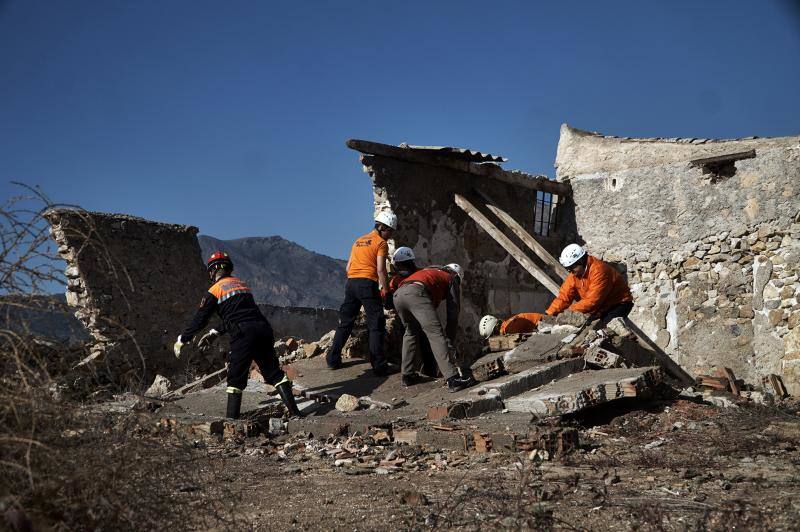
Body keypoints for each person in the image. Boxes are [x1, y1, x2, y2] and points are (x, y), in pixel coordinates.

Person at [174, 251, 303, 419]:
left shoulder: (214, 290)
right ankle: (296, 414)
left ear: (212, 271)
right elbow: (240, 314)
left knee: (235, 379)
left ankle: (231, 422)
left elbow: (200, 319)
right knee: (274, 373)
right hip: (263, 329)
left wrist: (182, 339)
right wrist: (215, 332)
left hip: (243, 334)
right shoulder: (242, 285)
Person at [390, 248, 477, 392]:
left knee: (410, 332)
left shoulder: (431, 272)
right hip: (416, 293)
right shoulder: (451, 278)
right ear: (456, 275)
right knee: (436, 334)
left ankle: (407, 375)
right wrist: (449, 339)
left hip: (399, 295)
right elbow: (453, 312)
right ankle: (452, 379)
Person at [326, 210, 397, 376]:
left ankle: (332, 360)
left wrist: (355, 281)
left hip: (351, 283)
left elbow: (347, 267)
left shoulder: (358, 240)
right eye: (390, 232)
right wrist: (387, 293)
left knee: (345, 323)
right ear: (382, 228)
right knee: (376, 324)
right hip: (367, 283)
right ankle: (379, 366)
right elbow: (380, 270)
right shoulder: (380, 243)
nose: (390, 236)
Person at [545, 244, 633, 326]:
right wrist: (549, 314)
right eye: (568, 268)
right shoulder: (575, 274)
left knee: (605, 330)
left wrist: (568, 313)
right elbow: (564, 296)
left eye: (571, 267)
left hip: (618, 304)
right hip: (600, 307)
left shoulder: (599, 271)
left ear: (581, 261)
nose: (570, 271)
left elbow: (592, 300)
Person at [479, 312, 545, 339]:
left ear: (496, 329)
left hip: (544, 324)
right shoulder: (507, 326)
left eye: (492, 336)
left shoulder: (510, 328)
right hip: (541, 324)